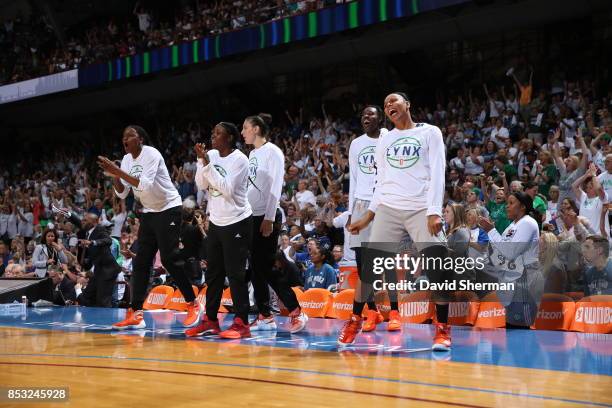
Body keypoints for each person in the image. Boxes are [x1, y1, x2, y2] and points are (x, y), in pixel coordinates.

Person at [346, 92, 449, 351]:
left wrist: (434, 210)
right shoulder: (385, 139)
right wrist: (368, 215)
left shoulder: (430, 133)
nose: (389, 105)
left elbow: (438, 171)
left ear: (408, 104)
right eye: (385, 104)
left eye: (394, 101)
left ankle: (442, 329)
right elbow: (381, 182)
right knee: (369, 270)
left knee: (437, 268)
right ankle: (355, 319)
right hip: (389, 209)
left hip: (421, 208)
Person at [98, 125, 203, 330]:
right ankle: (136, 312)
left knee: (169, 259)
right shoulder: (127, 160)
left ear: (141, 139)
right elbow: (122, 193)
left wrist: (117, 170)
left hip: (169, 207)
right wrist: (115, 176)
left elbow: (143, 184)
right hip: (150, 211)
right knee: (141, 262)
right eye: (123, 137)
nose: (125, 139)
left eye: (130, 136)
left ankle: (193, 303)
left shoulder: (151, 154)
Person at [241, 114, 308, 333]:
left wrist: (269, 217)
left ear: (257, 129)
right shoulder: (252, 154)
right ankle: (264, 315)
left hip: (266, 216)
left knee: (266, 266)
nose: (242, 133)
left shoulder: (273, 152)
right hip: (251, 216)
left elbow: (275, 186)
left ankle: (296, 310)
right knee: (256, 267)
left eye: (245, 128)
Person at [186, 122, 253, 339]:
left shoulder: (240, 160)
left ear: (231, 137)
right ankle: (211, 320)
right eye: (212, 132)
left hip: (237, 220)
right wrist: (201, 160)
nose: (213, 136)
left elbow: (226, 190)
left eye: (218, 133)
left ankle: (242, 323)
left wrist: (206, 162)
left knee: (235, 274)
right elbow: (201, 185)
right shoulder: (212, 154)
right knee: (213, 274)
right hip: (216, 221)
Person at [342, 105, 400, 337]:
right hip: (360, 204)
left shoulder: (389, 137)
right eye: (364, 115)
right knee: (363, 265)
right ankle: (372, 311)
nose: (366, 118)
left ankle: (395, 312)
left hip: (384, 203)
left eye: (371, 115)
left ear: (380, 119)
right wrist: (350, 213)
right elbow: (354, 179)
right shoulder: (356, 144)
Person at [479, 192, 543, 327]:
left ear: (523, 207)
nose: (507, 207)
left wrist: (491, 230)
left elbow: (510, 252)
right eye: (507, 203)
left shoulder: (528, 222)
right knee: (511, 323)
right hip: (512, 277)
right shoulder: (512, 225)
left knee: (521, 327)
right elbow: (501, 248)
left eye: (511, 203)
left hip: (524, 277)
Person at [53, 207, 121, 308]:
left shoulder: (99, 229)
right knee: (87, 297)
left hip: (108, 270)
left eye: (85, 220)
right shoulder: (86, 228)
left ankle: (107, 322)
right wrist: (68, 214)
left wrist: (92, 242)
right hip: (98, 269)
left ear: (93, 222)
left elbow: (108, 240)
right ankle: (92, 318)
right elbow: (77, 221)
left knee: (103, 300)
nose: (82, 222)